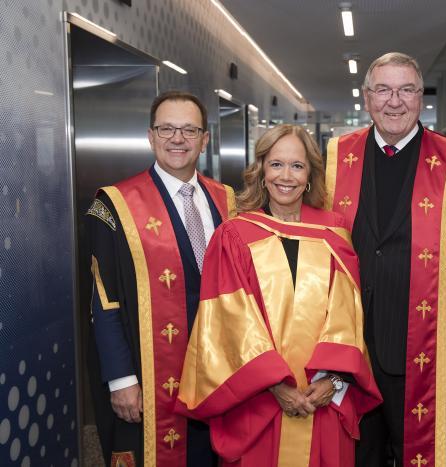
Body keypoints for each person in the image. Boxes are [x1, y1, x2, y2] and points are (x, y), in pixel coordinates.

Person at [325, 52, 446, 466]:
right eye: (383, 90)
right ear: (367, 98)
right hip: (352, 344)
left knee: (422, 451)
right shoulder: (334, 158)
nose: (394, 101)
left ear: (421, 97)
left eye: (406, 90)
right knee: (357, 452)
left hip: (426, 342)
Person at [175, 124, 382, 466]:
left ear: (310, 175)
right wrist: (275, 386)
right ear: (261, 171)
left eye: (297, 166)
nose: (286, 176)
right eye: (276, 164)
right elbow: (229, 322)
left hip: (323, 398)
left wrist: (333, 378)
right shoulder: (235, 235)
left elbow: (347, 313)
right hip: (259, 402)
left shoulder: (333, 232)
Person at [86, 90, 235, 467]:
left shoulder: (228, 201)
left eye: (189, 129)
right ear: (151, 136)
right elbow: (104, 299)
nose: (178, 139)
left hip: (220, 374)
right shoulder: (114, 205)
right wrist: (121, 379)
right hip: (150, 372)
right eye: (166, 128)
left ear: (205, 139)